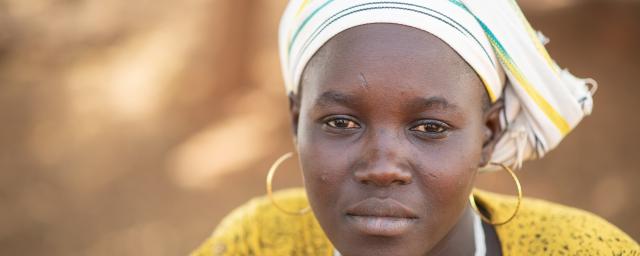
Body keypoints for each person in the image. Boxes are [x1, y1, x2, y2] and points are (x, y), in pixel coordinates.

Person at [192, 0, 639, 255]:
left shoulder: (589, 251)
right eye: (341, 121)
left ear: (489, 133)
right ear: (296, 122)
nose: (383, 168)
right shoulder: (252, 244)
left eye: (429, 127)